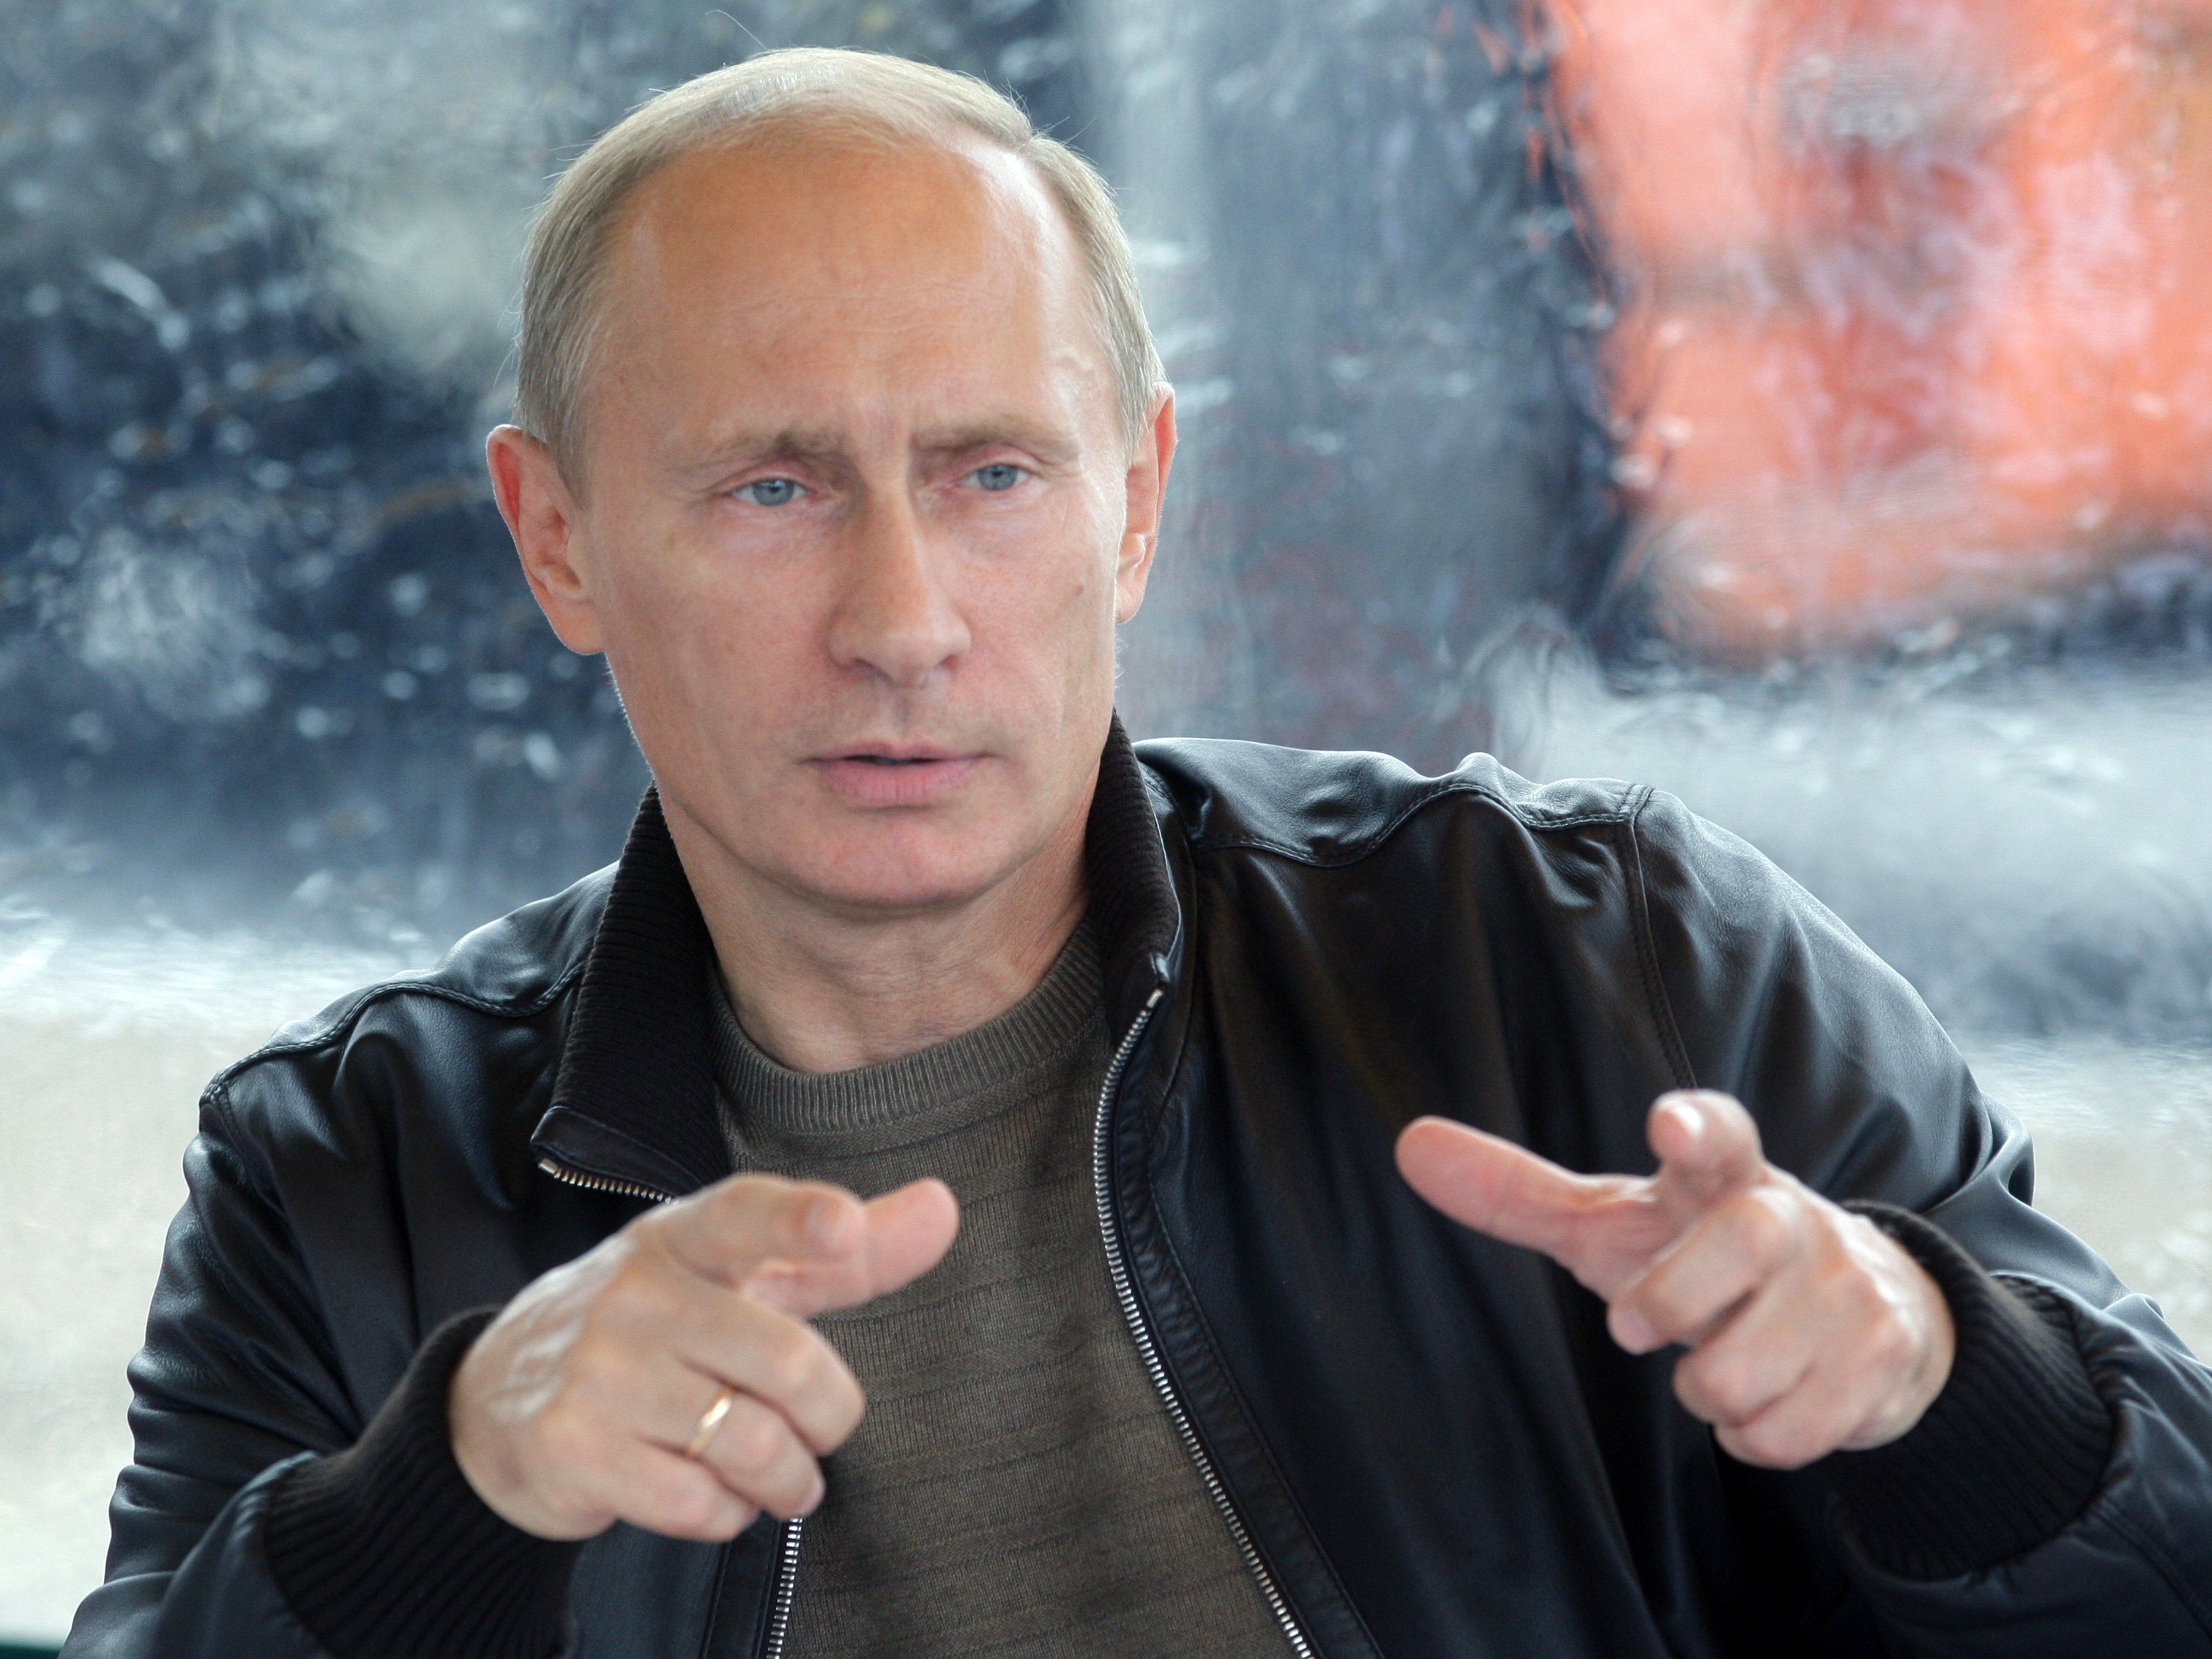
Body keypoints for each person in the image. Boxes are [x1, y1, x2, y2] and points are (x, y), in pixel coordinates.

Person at [63, 46, 2212, 1659]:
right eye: (773, 490)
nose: (903, 618)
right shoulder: (347, 1174)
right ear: (556, 538)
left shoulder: (1596, 964)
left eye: (991, 472)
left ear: (1139, 500)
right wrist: (446, 1495)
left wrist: (1946, 1391)